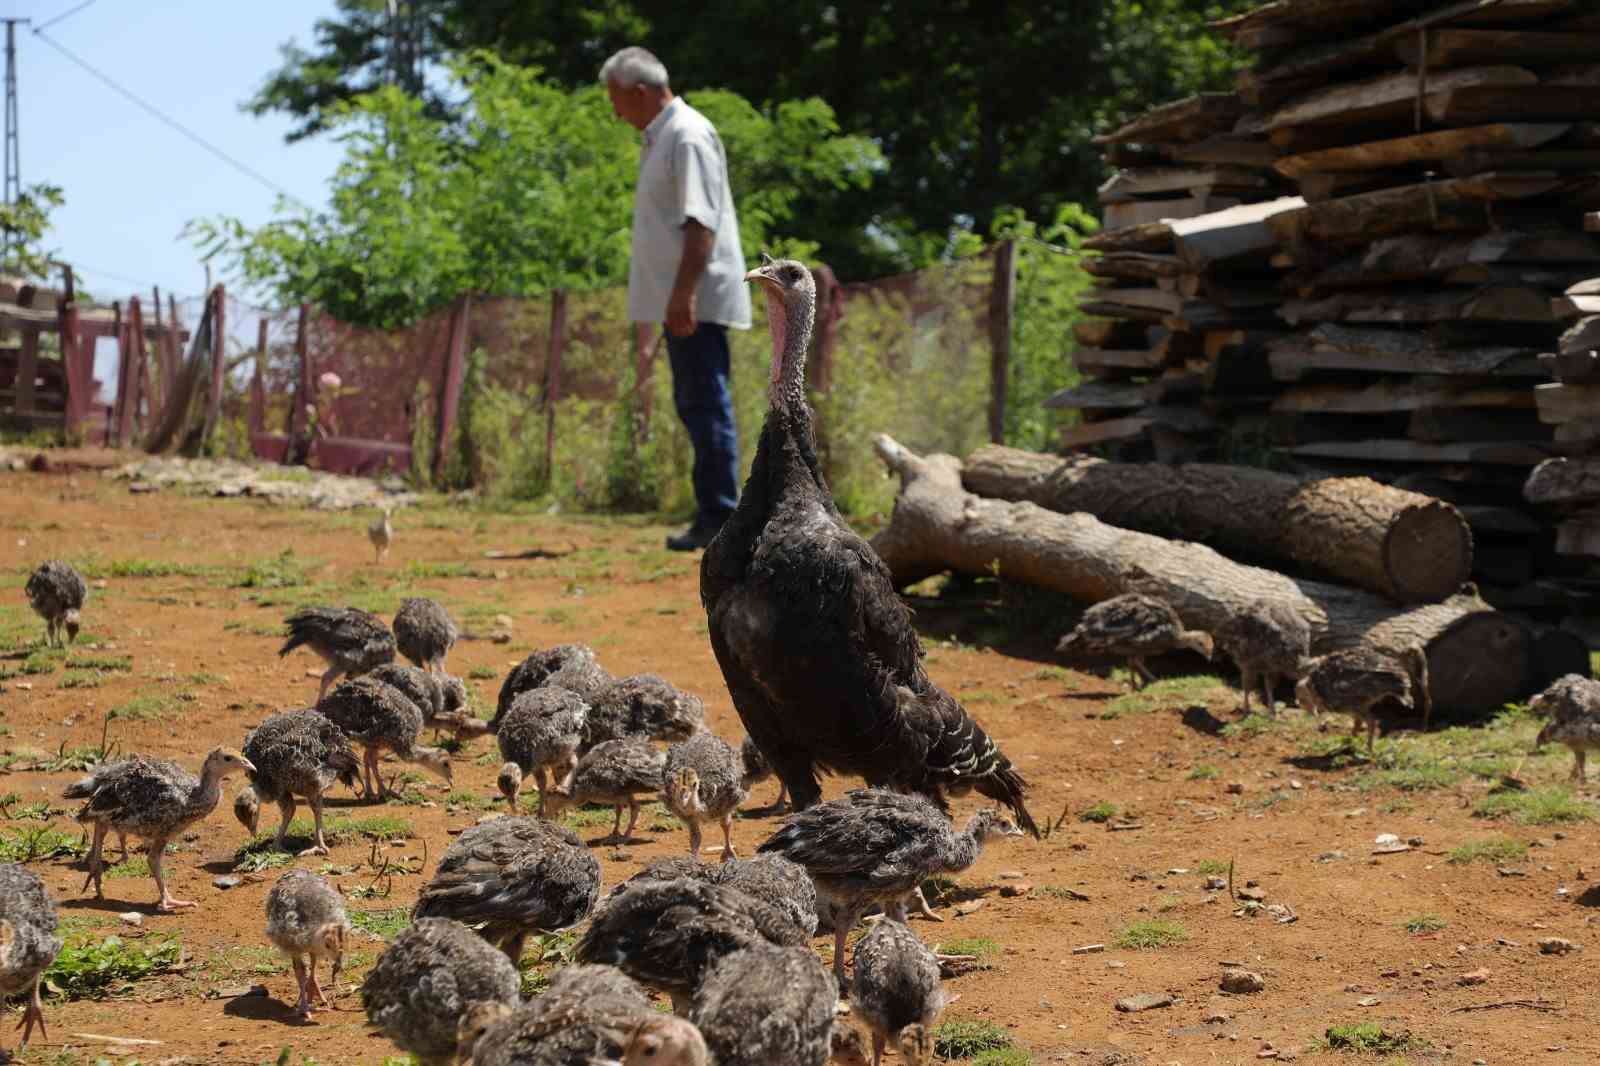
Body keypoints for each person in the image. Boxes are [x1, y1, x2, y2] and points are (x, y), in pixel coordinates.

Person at [601, 46, 752, 552]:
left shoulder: (685, 135)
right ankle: (713, 512)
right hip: (682, 298)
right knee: (695, 403)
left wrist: (684, 294)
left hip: (695, 299)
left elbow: (700, 223)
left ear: (641, 92)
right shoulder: (662, 136)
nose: (615, 112)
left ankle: (721, 517)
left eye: (617, 100)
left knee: (705, 404)